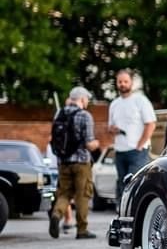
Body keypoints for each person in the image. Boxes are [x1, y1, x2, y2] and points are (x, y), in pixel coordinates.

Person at [49, 87, 100, 239]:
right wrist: (97, 144)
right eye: (87, 100)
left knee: (64, 193)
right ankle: (82, 229)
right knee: (83, 194)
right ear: (83, 99)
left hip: (63, 162)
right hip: (81, 162)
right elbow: (89, 143)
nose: (87, 103)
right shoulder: (85, 115)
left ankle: (57, 214)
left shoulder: (59, 113)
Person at [108, 69, 157, 204]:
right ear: (117, 84)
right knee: (122, 185)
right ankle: (123, 214)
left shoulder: (140, 100)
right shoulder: (114, 104)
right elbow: (109, 128)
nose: (122, 84)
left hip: (137, 152)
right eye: (120, 82)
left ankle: (136, 214)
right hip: (120, 151)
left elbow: (151, 124)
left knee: (135, 183)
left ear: (131, 83)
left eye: (125, 81)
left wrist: (140, 145)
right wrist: (113, 129)